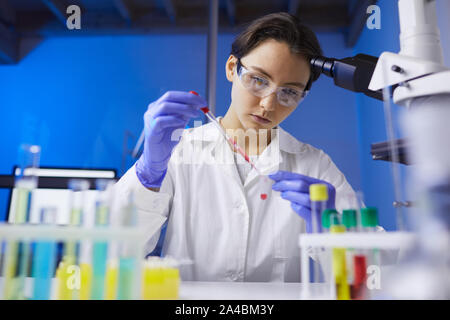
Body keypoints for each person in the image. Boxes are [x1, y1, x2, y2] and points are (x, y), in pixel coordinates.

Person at [114, 12, 358, 282]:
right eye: (258, 80)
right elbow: (114, 254)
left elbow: (366, 276)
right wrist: (148, 174)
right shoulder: (179, 152)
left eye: (288, 92)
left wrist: (332, 230)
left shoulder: (315, 167)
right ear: (232, 68)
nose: (268, 104)